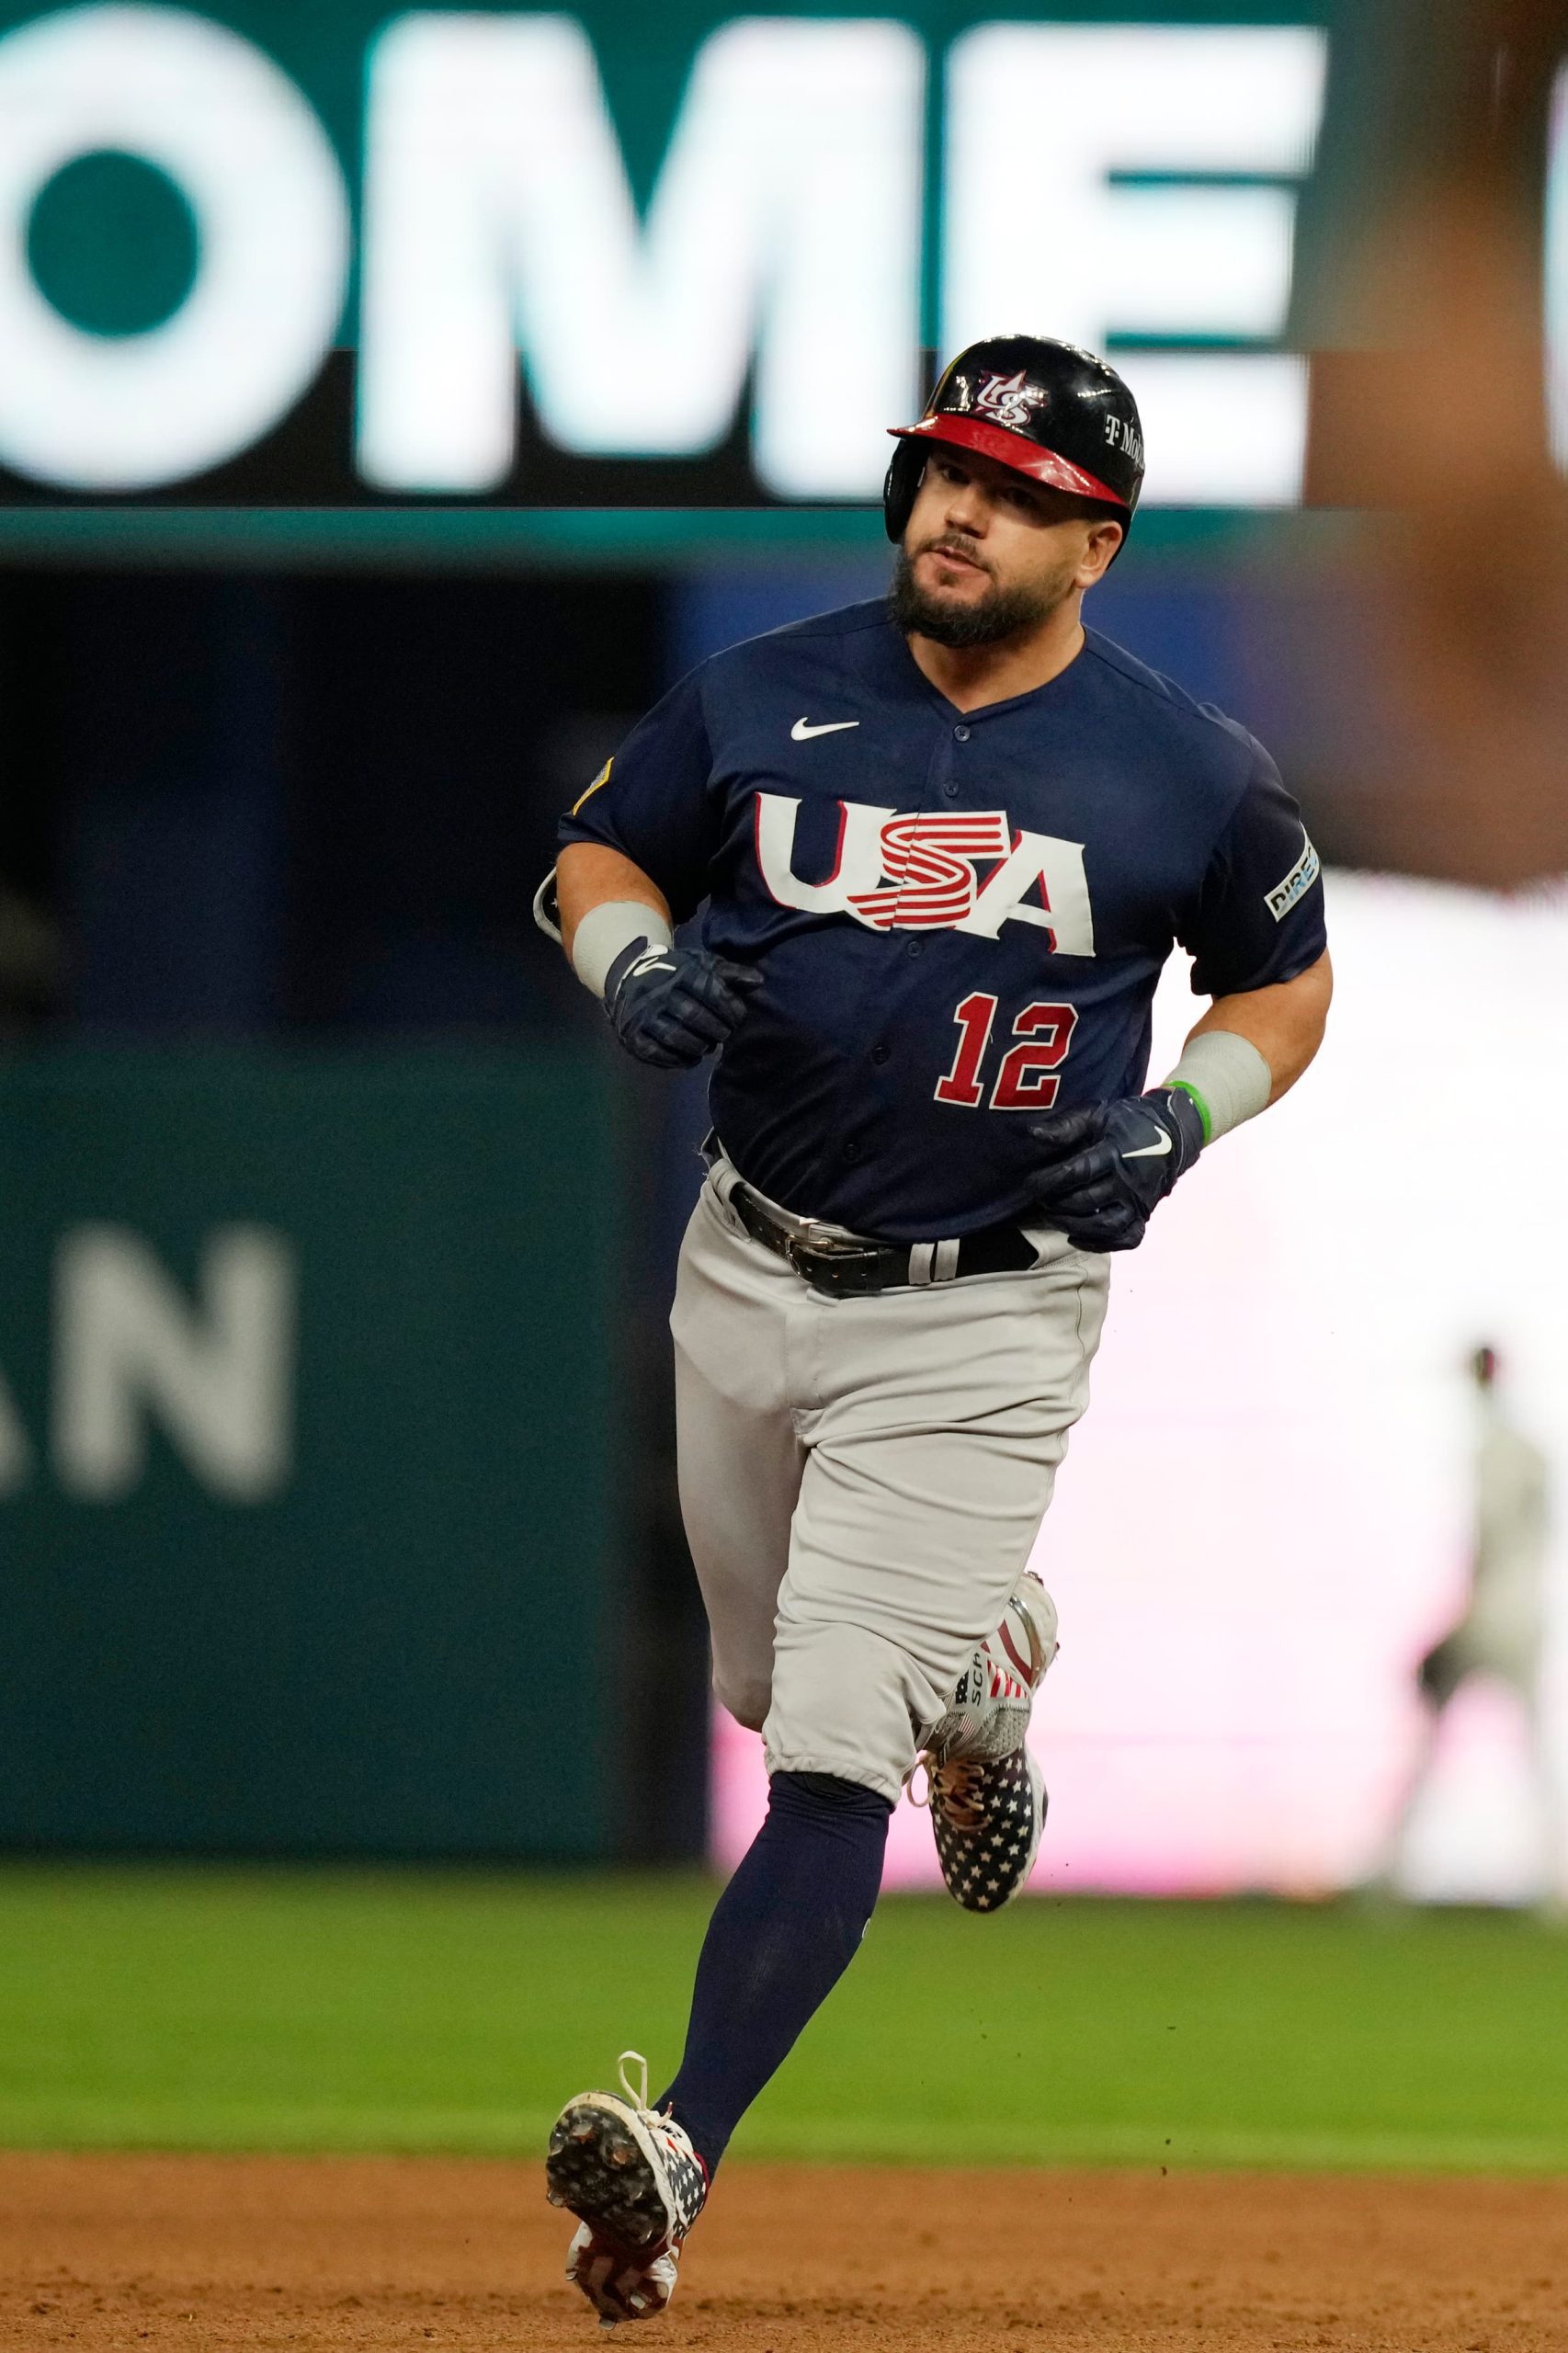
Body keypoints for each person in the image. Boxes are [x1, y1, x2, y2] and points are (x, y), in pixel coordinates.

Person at [534, 335, 1333, 2325]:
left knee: (822, 1748)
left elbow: (1286, 985)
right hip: (749, 1256)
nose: (954, 510)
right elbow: (595, 850)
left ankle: (677, 2148)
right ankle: (987, 1651)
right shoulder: (763, 690)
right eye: (936, 472)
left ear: (1097, 538)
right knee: (757, 1674)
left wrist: (1180, 1114)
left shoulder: (1183, 768)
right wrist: (631, 961)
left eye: (1007, 490)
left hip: (986, 1309)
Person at [1373, 1344, 1558, 1903]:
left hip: (1493, 1612)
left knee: (1437, 1740)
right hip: (1524, 1613)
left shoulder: (1496, 1449)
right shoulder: (1528, 1446)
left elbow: (1489, 1542)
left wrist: (1457, 1628)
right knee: (1530, 1749)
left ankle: (1392, 1875)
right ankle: (1553, 1884)